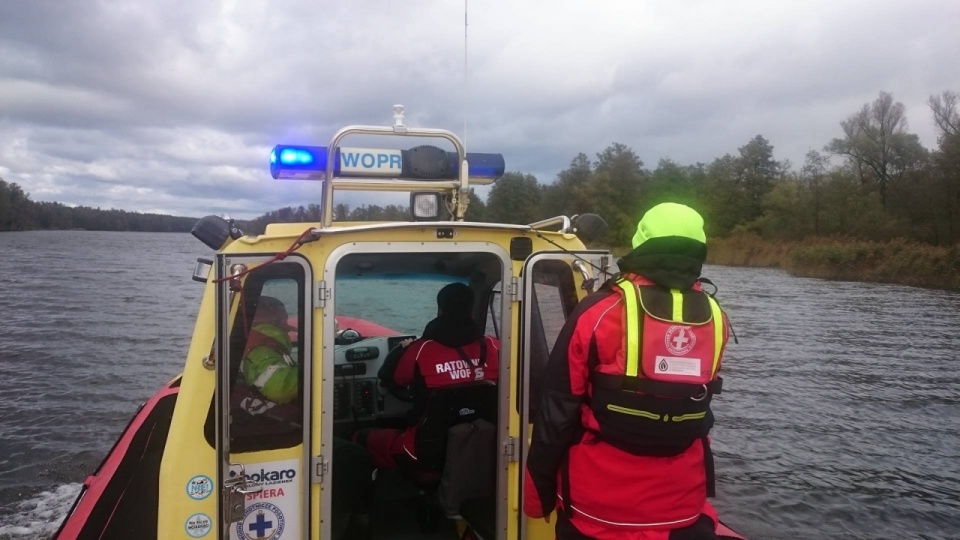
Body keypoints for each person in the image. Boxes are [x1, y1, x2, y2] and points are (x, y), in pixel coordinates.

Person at [523, 203, 733, 540]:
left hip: (597, 512)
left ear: (640, 243)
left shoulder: (599, 313)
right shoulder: (716, 318)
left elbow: (556, 412)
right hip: (683, 508)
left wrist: (537, 500)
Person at [356, 282, 500, 470]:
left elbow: (391, 379)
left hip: (423, 450)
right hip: (484, 445)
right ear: (472, 311)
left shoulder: (420, 350)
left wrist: (402, 349)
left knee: (360, 437)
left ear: (440, 310)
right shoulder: (495, 346)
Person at [239, 295, 298, 406]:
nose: (286, 324)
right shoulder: (261, 350)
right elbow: (280, 389)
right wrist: (314, 374)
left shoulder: (257, 341)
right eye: (283, 319)